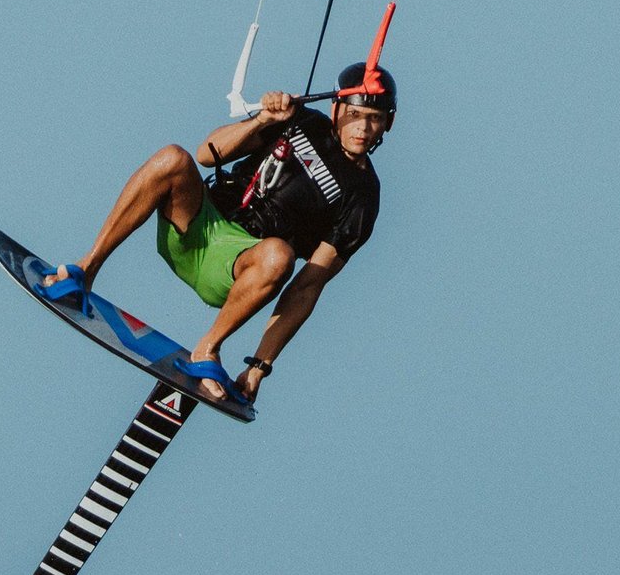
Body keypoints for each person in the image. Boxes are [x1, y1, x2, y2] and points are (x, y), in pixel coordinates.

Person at [39, 62, 395, 405]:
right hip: (197, 226)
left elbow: (308, 286)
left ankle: (207, 348)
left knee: (279, 255)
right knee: (173, 158)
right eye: (355, 114)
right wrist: (264, 119)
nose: (363, 127)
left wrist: (260, 365)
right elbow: (207, 155)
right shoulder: (301, 121)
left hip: (238, 268)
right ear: (336, 109)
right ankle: (87, 268)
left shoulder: (362, 196)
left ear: (387, 124)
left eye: (375, 119)